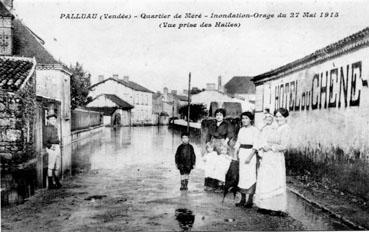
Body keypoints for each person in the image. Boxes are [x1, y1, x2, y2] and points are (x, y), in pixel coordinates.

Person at [254, 108, 290, 216]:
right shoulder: (274, 127)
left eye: (281, 117)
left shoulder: (285, 128)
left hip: (276, 158)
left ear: (285, 117)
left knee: (275, 181)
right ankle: (265, 206)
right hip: (268, 157)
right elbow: (265, 137)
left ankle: (276, 207)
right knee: (266, 180)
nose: (278, 119)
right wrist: (264, 146)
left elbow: (283, 146)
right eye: (277, 116)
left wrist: (270, 147)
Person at [234, 111, 259, 207]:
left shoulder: (254, 130)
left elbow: (256, 145)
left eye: (246, 118)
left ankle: (250, 200)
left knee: (251, 176)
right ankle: (243, 199)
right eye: (243, 118)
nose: (244, 120)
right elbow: (238, 142)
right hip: (242, 153)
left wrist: (250, 156)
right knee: (242, 176)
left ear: (251, 119)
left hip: (250, 154)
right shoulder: (241, 130)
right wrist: (236, 153)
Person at [205, 108, 234, 189]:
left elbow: (230, 133)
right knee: (211, 163)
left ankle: (220, 185)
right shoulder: (212, 124)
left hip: (222, 144)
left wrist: (226, 142)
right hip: (213, 144)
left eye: (220, 115)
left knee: (221, 164)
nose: (218, 116)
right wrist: (208, 143)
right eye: (217, 115)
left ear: (223, 116)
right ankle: (211, 185)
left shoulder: (227, 124)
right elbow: (208, 135)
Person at [44, 113, 62, 189]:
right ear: (48, 120)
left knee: (57, 166)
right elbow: (45, 141)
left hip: (57, 147)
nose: (53, 121)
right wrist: (50, 147)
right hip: (52, 148)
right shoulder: (47, 128)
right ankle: (50, 184)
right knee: (51, 166)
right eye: (51, 119)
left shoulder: (55, 128)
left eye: (54, 119)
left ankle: (57, 182)